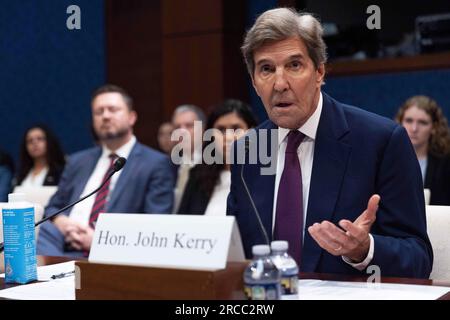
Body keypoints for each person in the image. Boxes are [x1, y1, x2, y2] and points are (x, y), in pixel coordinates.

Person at [227, 8, 432, 278]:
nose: (279, 84)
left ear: (320, 73)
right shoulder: (248, 150)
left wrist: (364, 250)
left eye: (294, 65)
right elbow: (236, 249)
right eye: (266, 69)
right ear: (254, 82)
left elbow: (418, 257)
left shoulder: (381, 142)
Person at [37, 84, 175, 257]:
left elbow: (155, 224)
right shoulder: (77, 161)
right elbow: (53, 207)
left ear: (132, 117)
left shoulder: (155, 163)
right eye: (99, 112)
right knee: (38, 230)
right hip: (60, 243)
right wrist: (61, 221)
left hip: (112, 252)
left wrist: (99, 240)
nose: (106, 116)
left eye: (113, 109)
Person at [177, 99, 257, 215]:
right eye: (221, 130)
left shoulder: (266, 176)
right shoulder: (198, 176)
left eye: (236, 129)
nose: (228, 137)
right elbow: (183, 222)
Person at [395, 95, 450, 205]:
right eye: (409, 121)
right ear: (400, 123)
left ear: (434, 128)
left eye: (422, 122)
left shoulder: (446, 163)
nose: (414, 128)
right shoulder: (388, 159)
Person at [171, 104, 206, 213]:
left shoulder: (214, 163)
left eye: (189, 125)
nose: (182, 131)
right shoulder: (168, 164)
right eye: (177, 127)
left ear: (203, 128)